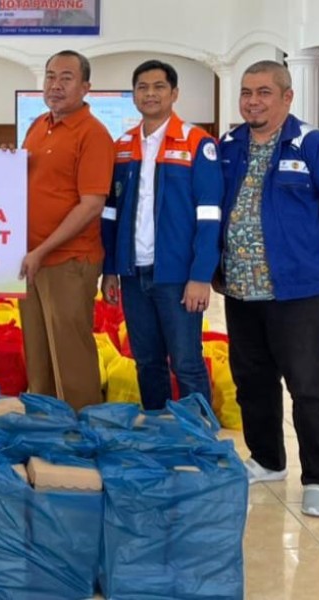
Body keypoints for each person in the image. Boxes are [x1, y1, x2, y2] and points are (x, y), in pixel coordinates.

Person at [219, 60, 319, 517]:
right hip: (240, 289)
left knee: (308, 385)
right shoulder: (230, 145)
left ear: (287, 97)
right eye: (246, 92)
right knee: (253, 381)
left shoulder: (312, 144)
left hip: (297, 292)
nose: (253, 101)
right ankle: (268, 459)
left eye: (264, 92)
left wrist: (312, 248)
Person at [100, 60, 223, 410]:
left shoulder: (197, 143)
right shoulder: (122, 147)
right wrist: (111, 267)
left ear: (174, 93)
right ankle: (160, 434)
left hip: (177, 276)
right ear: (134, 95)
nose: (150, 93)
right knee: (147, 362)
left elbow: (210, 216)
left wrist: (200, 276)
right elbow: (111, 213)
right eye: (142, 87)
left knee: (186, 363)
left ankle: (200, 440)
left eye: (158, 87)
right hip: (133, 275)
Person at [18, 50, 115, 411]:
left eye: (66, 78)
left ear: (86, 87)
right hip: (32, 261)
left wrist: (42, 251)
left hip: (67, 261)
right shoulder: (38, 125)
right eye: (50, 76)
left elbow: (90, 206)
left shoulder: (93, 134)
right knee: (39, 354)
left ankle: (79, 434)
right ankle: (44, 427)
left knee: (70, 356)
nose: (55, 85)